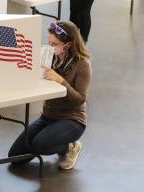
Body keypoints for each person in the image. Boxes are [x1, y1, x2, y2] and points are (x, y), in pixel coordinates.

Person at [8, 21, 92, 170]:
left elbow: (79, 100)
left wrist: (61, 81)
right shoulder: (50, 57)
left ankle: (69, 148)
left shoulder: (82, 64)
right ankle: (53, 140)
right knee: (15, 157)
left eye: (55, 44)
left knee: (41, 144)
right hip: (48, 116)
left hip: (71, 119)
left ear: (68, 45)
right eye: (49, 41)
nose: (50, 46)